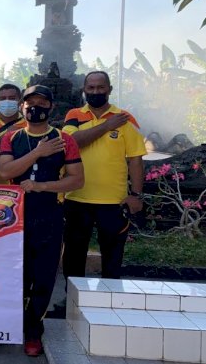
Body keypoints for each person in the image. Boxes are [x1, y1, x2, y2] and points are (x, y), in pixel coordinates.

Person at [0, 85, 84, 357]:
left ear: (51, 108)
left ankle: (33, 329)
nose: (35, 107)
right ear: (22, 107)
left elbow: (77, 180)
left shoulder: (64, 139)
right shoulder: (11, 138)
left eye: (41, 102)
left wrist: (42, 186)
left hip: (49, 214)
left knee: (44, 274)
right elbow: (5, 170)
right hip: (14, 217)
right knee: (15, 274)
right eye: (30, 102)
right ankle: (8, 326)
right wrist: (37, 152)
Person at [62, 71, 146, 281]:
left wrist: (136, 194)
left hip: (113, 201)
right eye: (91, 88)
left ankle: (110, 302)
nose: (95, 92)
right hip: (76, 197)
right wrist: (107, 126)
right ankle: (71, 300)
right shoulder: (74, 115)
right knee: (73, 255)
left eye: (100, 88)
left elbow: (136, 160)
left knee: (112, 255)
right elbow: (72, 143)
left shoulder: (126, 119)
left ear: (109, 89)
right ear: (84, 90)